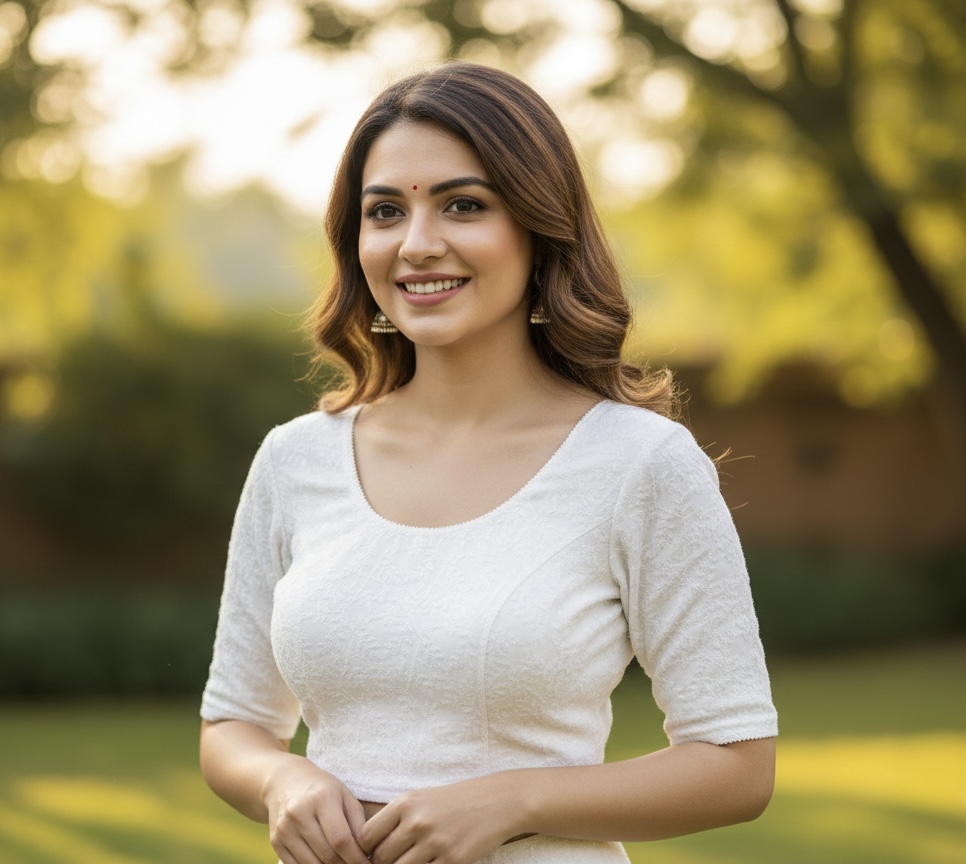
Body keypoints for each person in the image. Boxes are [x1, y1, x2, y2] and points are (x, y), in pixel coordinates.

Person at [199, 62, 778, 864]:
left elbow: (737, 766)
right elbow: (233, 725)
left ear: (539, 229)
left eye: (463, 205)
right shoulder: (295, 460)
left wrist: (516, 800)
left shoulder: (639, 463)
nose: (418, 243)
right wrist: (280, 782)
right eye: (385, 212)